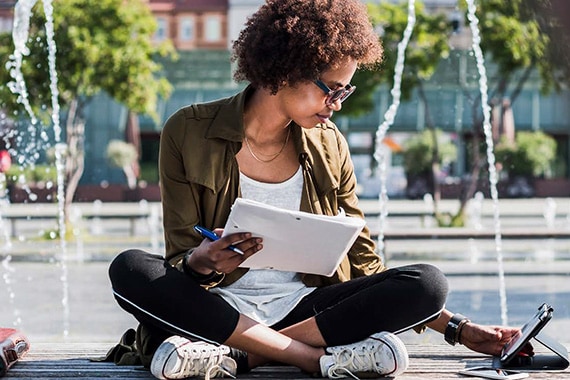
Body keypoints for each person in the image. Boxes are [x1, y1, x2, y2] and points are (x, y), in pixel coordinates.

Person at [108, 0, 525, 379]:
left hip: (305, 312)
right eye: (332, 89)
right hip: (215, 308)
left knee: (428, 284)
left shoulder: (330, 143)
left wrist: (457, 327)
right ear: (284, 72)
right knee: (130, 269)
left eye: (346, 90)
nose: (338, 103)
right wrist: (203, 263)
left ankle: (245, 357)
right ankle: (309, 358)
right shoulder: (189, 129)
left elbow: (365, 265)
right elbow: (181, 255)